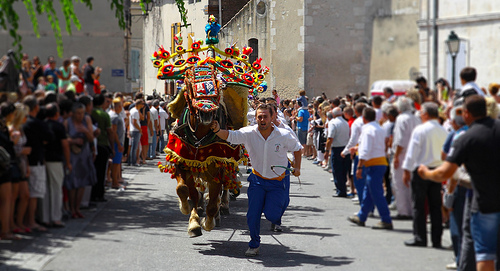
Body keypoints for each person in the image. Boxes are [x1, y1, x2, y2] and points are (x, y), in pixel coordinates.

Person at [418, 95, 500, 271]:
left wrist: (426, 173)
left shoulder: (466, 137)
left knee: (485, 254)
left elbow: (444, 172)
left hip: (485, 203)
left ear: (466, 113)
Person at [210, 103, 302, 257]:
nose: (262, 119)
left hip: (277, 182)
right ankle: (254, 244)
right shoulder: (249, 133)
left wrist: (298, 167)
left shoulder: (284, 135)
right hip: (257, 181)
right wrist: (218, 130)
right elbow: (231, 136)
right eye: (259, 116)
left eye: (265, 116)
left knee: (273, 216)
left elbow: (298, 148)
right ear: (256, 118)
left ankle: (275, 209)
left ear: (272, 117)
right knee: (253, 215)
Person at [402, 102, 447, 248]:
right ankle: (436, 239)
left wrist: (406, 170)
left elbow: (412, 152)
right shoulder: (443, 130)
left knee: (419, 205)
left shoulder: (420, 130)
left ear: (426, 114)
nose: (420, 115)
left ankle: (420, 237)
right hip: (437, 170)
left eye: (421, 113)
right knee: (436, 206)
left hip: (421, 170)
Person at [348, 107, 393, 229]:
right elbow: (381, 145)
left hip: (372, 163)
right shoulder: (380, 129)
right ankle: (362, 216)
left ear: (364, 118)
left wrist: (359, 167)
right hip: (380, 161)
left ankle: (386, 219)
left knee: (377, 193)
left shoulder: (367, 130)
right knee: (369, 191)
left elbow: (365, 150)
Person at [23, 95, 53, 232]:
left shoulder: (22, 122)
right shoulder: (36, 123)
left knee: (25, 194)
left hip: (24, 161)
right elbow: (49, 138)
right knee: (34, 193)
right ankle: (30, 221)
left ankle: (24, 221)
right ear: (35, 107)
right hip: (35, 161)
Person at [64, 102, 97, 218]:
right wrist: (73, 141)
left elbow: (91, 138)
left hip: (84, 154)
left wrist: (86, 131)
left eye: (82, 113)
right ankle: (72, 209)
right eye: (78, 113)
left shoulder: (86, 120)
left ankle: (77, 208)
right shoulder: (67, 122)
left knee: (82, 182)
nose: (80, 115)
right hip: (72, 155)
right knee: (73, 182)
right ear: (73, 113)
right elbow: (63, 139)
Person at [391, 97, 420, 219]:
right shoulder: (416, 118)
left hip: (402, 154)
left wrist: (396, 156)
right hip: (414, 153)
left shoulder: (401, 119)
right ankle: (412, 209)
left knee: (399, 183)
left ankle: (404, 211)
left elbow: (400, 140)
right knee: (411, 184)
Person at [43, 103, 70, 227]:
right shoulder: (59, 126)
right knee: (56, 189)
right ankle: (56, 218)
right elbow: (65, 145)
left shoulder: (42, 124)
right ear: (56, 113)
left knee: (46, 189)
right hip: (56, 160)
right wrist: (68, 162)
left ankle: (45, 218)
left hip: (42, 160)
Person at [90, 94, 114, 202]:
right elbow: (109, 132)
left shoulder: (90, 113)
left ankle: (91, 194)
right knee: (101, 172)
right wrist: (112, 147)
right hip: (102, 144)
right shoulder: (104, 115)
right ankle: (99, 194)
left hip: (91, 145)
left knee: (92, 170)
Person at [325, 107, 350, 197]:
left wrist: (327, 151)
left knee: (337, 170)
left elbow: (330, 138)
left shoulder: (333, 123)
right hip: (345, 148)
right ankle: (343, 188)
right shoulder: (345, 123)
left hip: (337, 148)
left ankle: (340, 190)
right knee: (344, 170)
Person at [108, 98, 125, 189]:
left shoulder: (116, 115)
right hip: (116, 143)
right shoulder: (114, 116)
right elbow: (113, 132)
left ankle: (115, 181)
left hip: (118, 142)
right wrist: (118, 144)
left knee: (117, 163)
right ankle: (114, 182)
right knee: (115, 163)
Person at [128, 99, 143, 166]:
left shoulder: (134, 111)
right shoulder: (135, 112)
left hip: (133, 130)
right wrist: (140, 129)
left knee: (133, 147)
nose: (143, 105)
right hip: (135, 130)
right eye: (142, 104)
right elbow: (134, 122)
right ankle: (133, 162)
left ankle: (131, 161)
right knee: (134, 147)